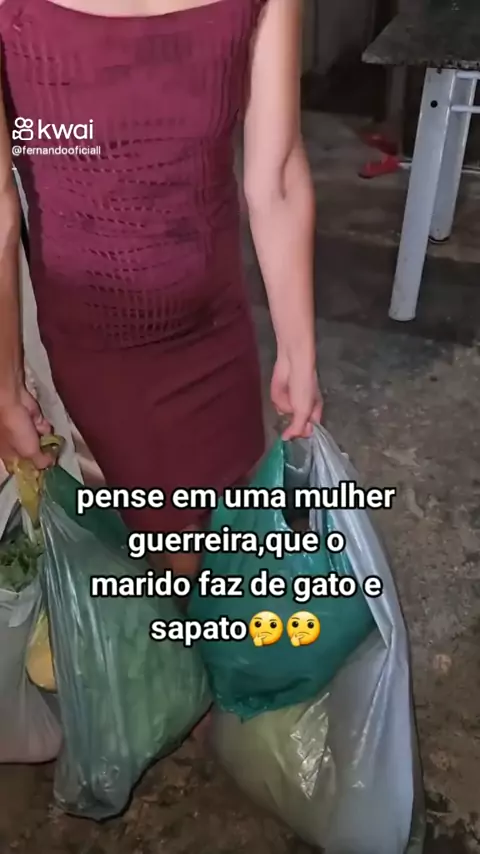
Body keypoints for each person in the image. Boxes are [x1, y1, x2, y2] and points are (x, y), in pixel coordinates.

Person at [0, 0, 322, 577]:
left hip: (217, 324)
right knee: (177, 557)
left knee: (240, 527)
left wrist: (299, 351)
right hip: (101, 342)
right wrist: (4, 383)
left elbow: (275, 176)